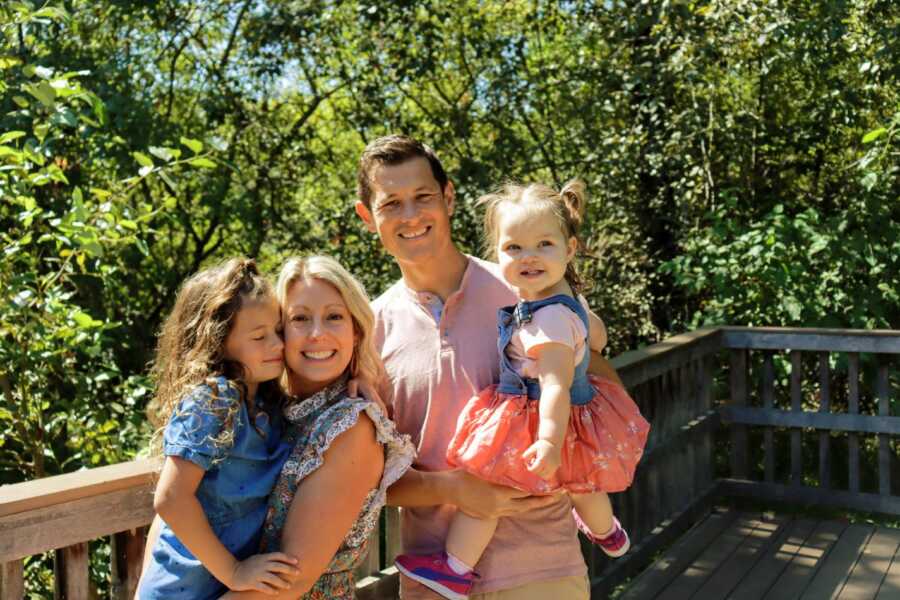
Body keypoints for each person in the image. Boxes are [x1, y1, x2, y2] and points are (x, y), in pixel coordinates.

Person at [354, 135, 627, 600]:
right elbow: (364, 479)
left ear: (450, 197)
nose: (411, 215)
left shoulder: (527, 286)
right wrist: (458, 490)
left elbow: (602, 395)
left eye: (423, 197)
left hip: (543, 569)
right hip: (434, 583)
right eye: (391, 204)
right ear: (367, 217)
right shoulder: (366, 332)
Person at [220, 255, 415, 599]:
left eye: (334, 317)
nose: (317, 334)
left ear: (355, 331)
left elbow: (289, 581)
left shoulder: (351, 427)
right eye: (300, 319)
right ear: (279, 331)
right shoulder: (268, 409)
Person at [138, 258, 299, 599]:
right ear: (218, 341)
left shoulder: (268, 405)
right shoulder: (215, 398)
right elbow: (170, 498)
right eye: (259, 336)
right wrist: (235, 572)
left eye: (278, 331)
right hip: (181, 591)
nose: (278, 345)